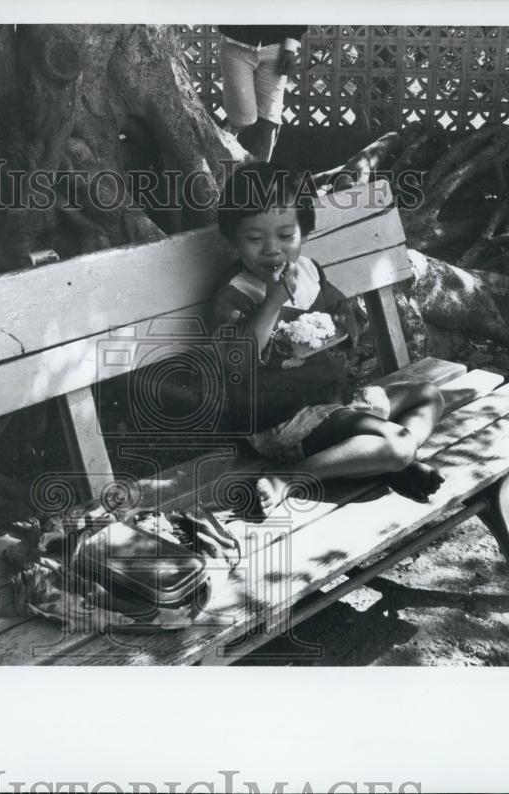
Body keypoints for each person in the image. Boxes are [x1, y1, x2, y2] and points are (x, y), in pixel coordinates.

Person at [211, 162, 446, 516]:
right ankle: (290, 478)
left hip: (334, 400)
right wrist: (273, 302)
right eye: (255, 239)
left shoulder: (309, 271)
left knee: (428, 395)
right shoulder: (235, 295)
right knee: (399, 446)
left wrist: (338, 328)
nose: (272, 250)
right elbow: (237, 361)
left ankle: (378, 461)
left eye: (286, 236)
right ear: (233, 238)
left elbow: (343, 314)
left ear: (304, 234)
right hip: (283, 421)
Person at [218, 25, 307, 162]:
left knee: (271, 119)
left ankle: (262, 176)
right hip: (236, 47)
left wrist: (291, 45)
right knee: (243, 118)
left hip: (276, 49)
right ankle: (220, 161)